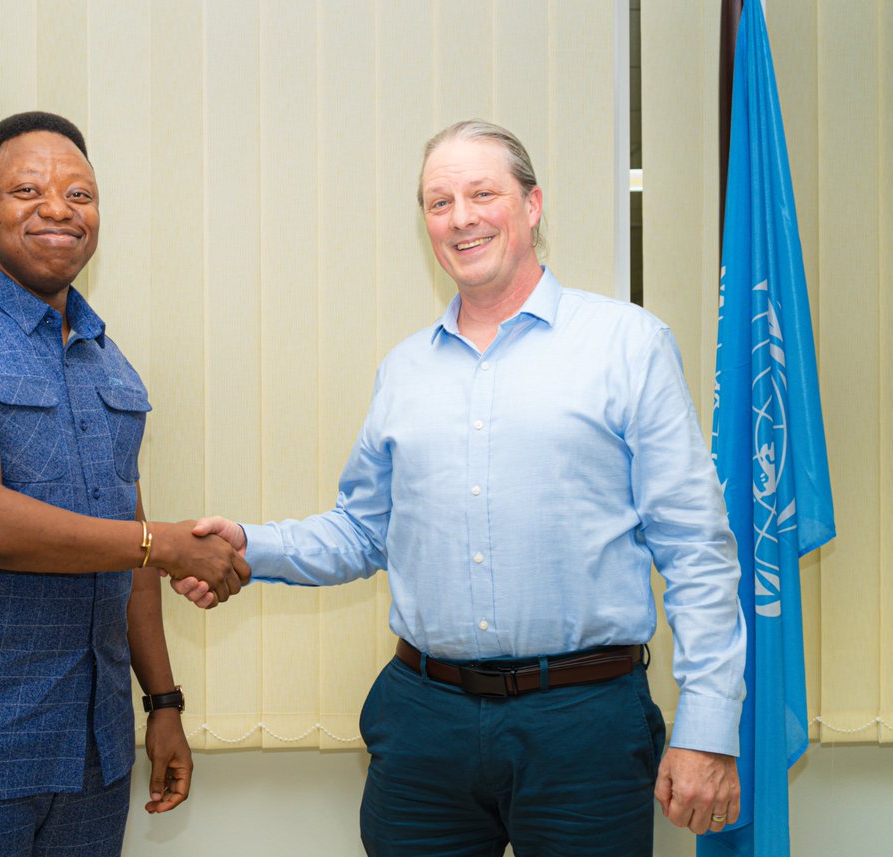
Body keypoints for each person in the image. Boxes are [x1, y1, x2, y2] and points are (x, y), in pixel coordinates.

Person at [181, 120, 746, 856]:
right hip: (425, 724)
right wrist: (250, 545)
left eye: (483, 193)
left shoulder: (627, 345)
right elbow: (364, 530)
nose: (461, 217)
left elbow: (695, 547)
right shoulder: (405, 370)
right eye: (439, 201)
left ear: (533, 205)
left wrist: (708, 726)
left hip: (585, 724)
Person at [0, 111, 250, 855]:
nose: (57, 208)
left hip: (93, 748)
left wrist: (162, 701)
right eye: (27, 189)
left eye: (80, 193)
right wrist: (163, 543)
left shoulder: (109, 362)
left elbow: (129, 555)